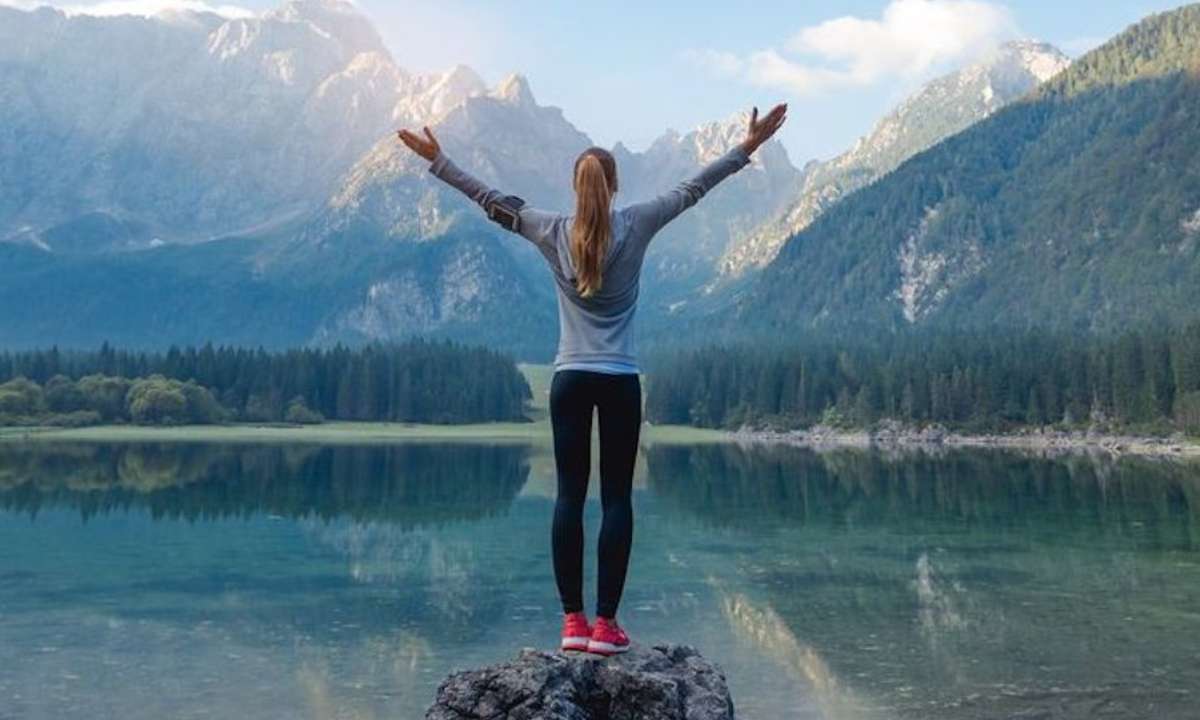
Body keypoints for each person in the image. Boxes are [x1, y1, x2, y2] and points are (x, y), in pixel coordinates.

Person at [398, 103, 788, 655]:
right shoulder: (640, 221)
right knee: (616, 502)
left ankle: (573, 624)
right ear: (614, 186)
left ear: (576, 187)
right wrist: (746, 148)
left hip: (569, 381)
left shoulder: (549, 229)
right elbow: (695, 187)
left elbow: (490, 201)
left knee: (568, 499)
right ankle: (607, 627)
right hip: (620, 381)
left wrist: (440, 162)